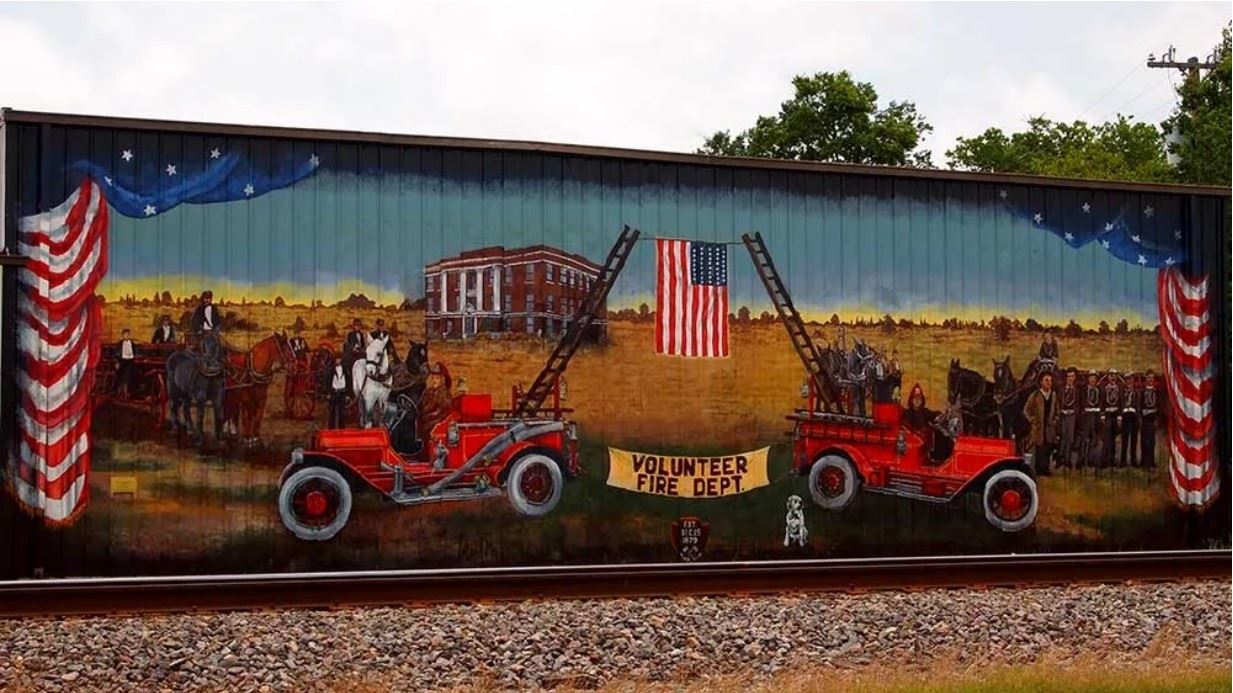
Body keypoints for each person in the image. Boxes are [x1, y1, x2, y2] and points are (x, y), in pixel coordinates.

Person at [1023, 371, 1060, 476]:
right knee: (1039, 448)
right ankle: (1038, 469)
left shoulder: (1053, 395)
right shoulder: (1035, 395)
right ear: (1041, 382)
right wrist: (1032, 420)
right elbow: (1026, 410)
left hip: (1049, 427)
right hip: (1038, 427)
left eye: (1050, 381)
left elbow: (1057, 410)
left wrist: (1055, 420)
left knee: (1048, 447)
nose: (1049, 383)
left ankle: (1046, 469)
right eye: (1046, 380)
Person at [418, 363, 455, 448]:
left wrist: (428, 416)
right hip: (426, 418)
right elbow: (422, 404)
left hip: (438, 421)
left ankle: (427, 451)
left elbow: (442, 412)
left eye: (437, 378)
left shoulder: (444, 394)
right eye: (433, 378)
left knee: (427, 427)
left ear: (442, 380)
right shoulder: (429, 391)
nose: (434, 380)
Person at [1078, 371, 1102, 468]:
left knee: (1094, 439)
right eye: (1091, 378)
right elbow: (1080, 403)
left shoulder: (1099, 390)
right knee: (1084, 438)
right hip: (1086, 417)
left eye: (1094, 378)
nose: (1093, 380)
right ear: (1088, 379)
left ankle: (1091, 459)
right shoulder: (1083, 390)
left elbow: (1101, 403)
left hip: (1095, 416)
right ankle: (1082, 459)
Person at [1057, 368, 1079, 469]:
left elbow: (1078, 403)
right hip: (1062, 415)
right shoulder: (1061, 389)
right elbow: (1058, 401)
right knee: (1062, 437)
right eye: (1068, 376)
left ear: (1075, 378)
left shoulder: (1076, 390)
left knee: (1070, 438)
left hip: (1072, 415)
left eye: (1072, 376)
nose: (1070, 379)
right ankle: (1059, 459)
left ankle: (1067, 460)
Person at [1100, 371, 1123, 468]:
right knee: (1106, 438)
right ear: (1108, 378)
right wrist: (1102, 415)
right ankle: (1104, 460)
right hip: (1108, 414)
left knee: (1113, 438)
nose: (1112, 378)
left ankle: (1112, 459)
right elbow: (1102, 401)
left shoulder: (1119, 389)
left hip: (1115, 414)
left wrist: (1119, 416)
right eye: (1110, 376)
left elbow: (1121, 402)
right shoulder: (1104, 389)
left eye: (1114, 376)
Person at [1120, 373, 1141, 467]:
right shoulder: (1122, 392)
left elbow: (1139, 405)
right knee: (1124, 440)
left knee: (1134, 439)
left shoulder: (1136, 392)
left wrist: (1138, 416)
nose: (1129, 381)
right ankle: (1123, 460)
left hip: (1134, 417)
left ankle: (1133, 460)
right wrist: (1120, 416)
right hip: (1125, 416)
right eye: (1127, 379)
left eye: (1131, 379)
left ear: (1133, 381)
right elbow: (1120, 403)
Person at [1139, 370, 1159, 468]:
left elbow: (1158, 405)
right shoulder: (1142, 392)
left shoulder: (1156, 391)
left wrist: (1157, 418)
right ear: (1145, 379)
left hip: (1153, 417)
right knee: (1144, 440)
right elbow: (1139, 405)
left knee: (1152, 441)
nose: (1150, 379)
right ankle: (1143, 461)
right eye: (1148, 377)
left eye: (1152, 377)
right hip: (1144, 417)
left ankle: (1151, 461)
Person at [116, 329, 137, 398]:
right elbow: (117, 354)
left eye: (128, 334)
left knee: (128, 376)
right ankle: (120, 392)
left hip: (130, 361)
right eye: (125, 334)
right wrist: (117, 362)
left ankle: (127, 392)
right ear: (123, 335)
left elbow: (134, 352)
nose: (126, 336)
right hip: (122, 361)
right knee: (121, 376)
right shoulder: (120, 344)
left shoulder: (132, 344)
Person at [328, 358, 348, 428]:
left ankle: (342, 428)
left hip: (342, 392)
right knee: (332, 412)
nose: (338, 361)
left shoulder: (345, 369)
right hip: (334, 392)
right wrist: (328, 393)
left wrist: (347, 394)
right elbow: (328, 381)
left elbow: (348, 380)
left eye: (339, 359)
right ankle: (331, 429)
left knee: (342, 412)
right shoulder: (331, 369)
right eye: (336, 359)